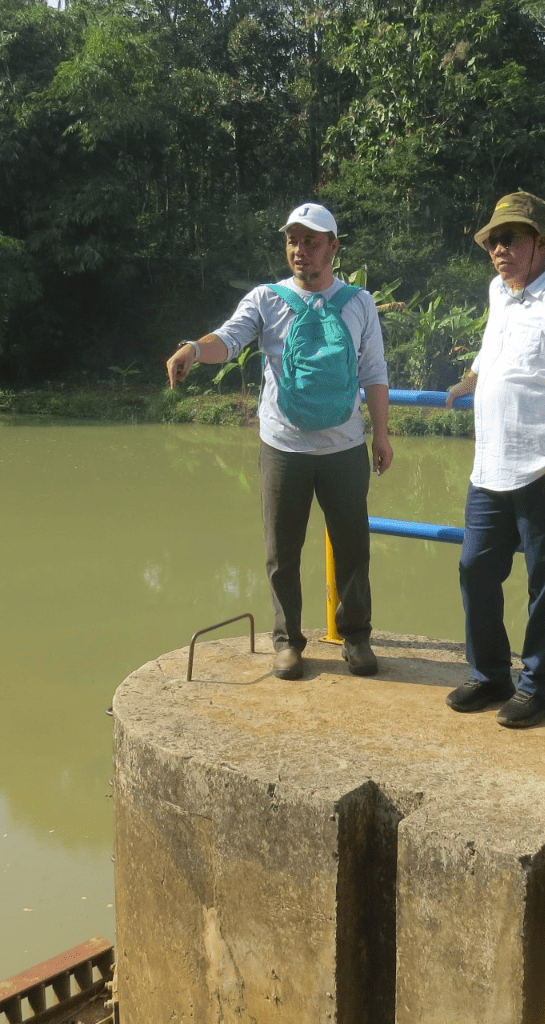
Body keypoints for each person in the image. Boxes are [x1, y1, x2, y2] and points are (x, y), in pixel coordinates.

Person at [166, 203, 393, 680]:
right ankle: (288, 641)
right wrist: (192, 348)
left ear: (333, 246)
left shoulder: (359, 302)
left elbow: (373, 372)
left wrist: (382, 434)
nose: (300, 250)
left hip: (344, 446)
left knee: (353, 547)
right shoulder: (265, 299)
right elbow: (227, 340)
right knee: (281, 551)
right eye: (293, 240)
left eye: (311, 241)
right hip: (284, 447)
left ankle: (355, 637)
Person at [442, 192, 545, 728]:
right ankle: (491, 674)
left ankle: (538, 685)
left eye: (510, 237)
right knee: (475, 569)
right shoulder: (502, 292)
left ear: (541, 242)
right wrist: (473, 375)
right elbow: (497, 345)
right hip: (491, 466)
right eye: (492, 240)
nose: (498, 248)